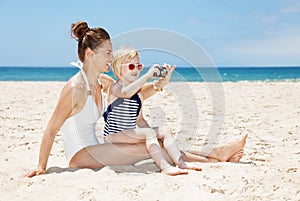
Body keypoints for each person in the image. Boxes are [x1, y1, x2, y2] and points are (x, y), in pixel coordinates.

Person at [25, 21, 247, 178]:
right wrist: (41, 166)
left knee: (156, 142)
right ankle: (215, 157)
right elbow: (51, 128)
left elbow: (133, 92)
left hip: (97, 147)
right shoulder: (76, 87)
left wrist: (160, 82)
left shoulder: (101, 80)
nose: (111, 59)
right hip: (81, 155)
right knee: (153, 147)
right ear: (91, 54)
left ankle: (216, 153)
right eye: (108, 53)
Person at [103, 47, 203, 175]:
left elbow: (140, 120)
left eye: (139, 66)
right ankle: (165, 167)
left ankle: (180, 162)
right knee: (148, 133)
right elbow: (126, 93)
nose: (136, 70)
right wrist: (147, 75)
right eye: (131, 66)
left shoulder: (138, 95)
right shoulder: (115, 88)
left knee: (164, 130)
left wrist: (156, 136)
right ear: (117, 68)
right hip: (113, 135)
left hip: (129, 133)